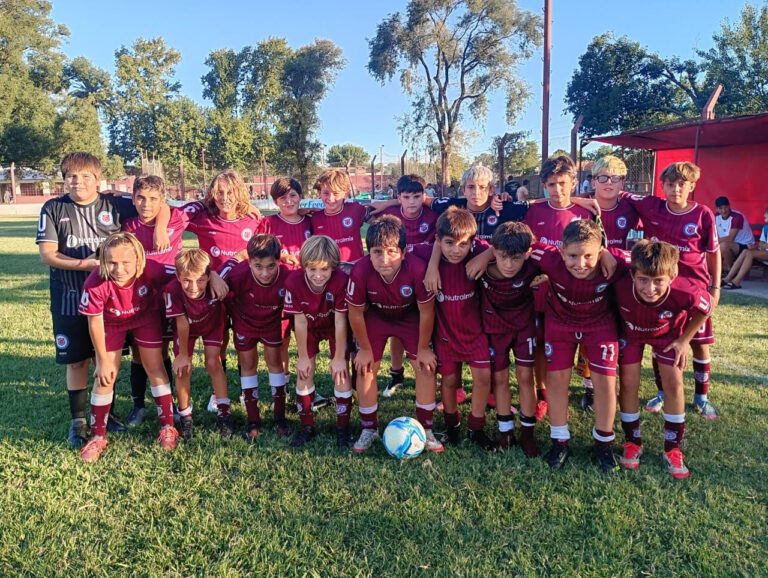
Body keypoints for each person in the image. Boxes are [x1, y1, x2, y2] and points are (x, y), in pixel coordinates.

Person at [36, 152, 169, 448]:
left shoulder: (114, 204)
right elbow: (47, 254)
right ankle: (78, 422)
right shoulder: (53, 208)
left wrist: (160, 228)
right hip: (69, 295)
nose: (78, 182)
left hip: (111, 301)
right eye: (72, 176)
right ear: (64, 179)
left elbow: (157, 204)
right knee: (77, 361)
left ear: (98, 179)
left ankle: (106, 416)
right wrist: (84, 265)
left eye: (86, 176)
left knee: (105, 359)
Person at [622, 162, 721, 419]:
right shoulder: (651, 206)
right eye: (670, 184)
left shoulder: (702, 214)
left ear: (692, 186)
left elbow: (713, 251)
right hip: (660, 290)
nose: (675, 189)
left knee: (698, 344)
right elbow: (618, 193)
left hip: (694, 290)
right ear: (662, 185)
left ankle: (701, 397)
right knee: (661, 342)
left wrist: (715, 287)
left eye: (681, 184)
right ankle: (662, 392)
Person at [529, 219, 623, 473]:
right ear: (561, 251)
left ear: (600, 251)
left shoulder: (616, 261)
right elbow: (523, 244)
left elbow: (650, 258)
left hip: (600, 325)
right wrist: (486, 257)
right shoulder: (549, 258)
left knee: (605, 383)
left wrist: (609, 255)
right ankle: (560, 441)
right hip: (560, 324)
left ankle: (603, 444)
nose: (580, 264)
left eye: (588, 256)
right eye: (572, 256)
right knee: (557, 381)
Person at [346, 215, 443, 453]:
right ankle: (369, 428)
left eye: (392, 251)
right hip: (376, 316)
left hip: (409, 317)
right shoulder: (360, 270)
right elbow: (355, 313)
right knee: (365, 366)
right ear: (369, 253)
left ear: (404, 251)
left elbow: (426, 311)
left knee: (425, 366)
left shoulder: (417, 268)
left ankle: (426, 428)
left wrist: (423, 348)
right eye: (377, 252)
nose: (385, 259)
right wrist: (365, 349)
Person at [615, 240, 712, 478]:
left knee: (674, 384)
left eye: (658, 281)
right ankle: (632, 441)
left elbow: (706, 307)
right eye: (642, 280)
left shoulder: (685, 289)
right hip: (630, 333)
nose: (650, 289)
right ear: (632, 274)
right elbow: (606, 254)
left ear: (672, 276)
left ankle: (672, 448)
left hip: (667, 336)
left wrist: (685, 340)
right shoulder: (619, 279)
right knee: (628, 382)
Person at [78, 232, 177, 462]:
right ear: (103, 261)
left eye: (126, 262)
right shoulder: (96, 281)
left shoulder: (152, 269)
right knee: (106, 376)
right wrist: (102, 361)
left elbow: (182, 271)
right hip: (111, 323)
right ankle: (98, 436)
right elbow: (94, 322)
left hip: (145, 317)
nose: (119, 269)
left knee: (155, 367)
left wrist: (213, 275)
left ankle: (167, 426)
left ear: (139, 259)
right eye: (112, 262)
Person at [413, 208, 497, 451]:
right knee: (449, 381)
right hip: (445, 334)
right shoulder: (427, 253)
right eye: (449, 243)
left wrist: (486, 255)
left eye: (463, 244)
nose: (456, 250)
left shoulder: (478, 250)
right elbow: (407, 251)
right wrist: (432, 264)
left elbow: (510, 243)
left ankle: (476, 428)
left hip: (475, 334)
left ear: (472, 242)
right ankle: (452, 426)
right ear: (438, 241)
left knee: (483, 378)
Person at [523, 156, 593, 421]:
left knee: (576, 343)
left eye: (563, 183)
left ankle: (585, 387)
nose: (558, 189)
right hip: (541, 292)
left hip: (574, 293)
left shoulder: (585, 213)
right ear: (544, 186)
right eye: (551, 184)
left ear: (573, 182)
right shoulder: (535, 212)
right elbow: (529, 247)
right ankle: (543, 395)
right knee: (540, 342)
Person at [283, 236, 353, 447]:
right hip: (309, 327)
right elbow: (300, 321)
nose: (318, 275)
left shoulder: (341, 280)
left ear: (333, 266)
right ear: (303, 265)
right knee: (304, 372)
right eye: (312, 269)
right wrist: (303, 356)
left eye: (324, 269)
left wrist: (339, 358)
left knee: (341, 374)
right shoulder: (294, 282)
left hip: (333, 326)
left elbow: (340, 321)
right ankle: (307, 426)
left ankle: (343, 427)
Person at [479, 221, 541, 456]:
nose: (508, 264)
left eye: (516, 258)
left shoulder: (534, 264)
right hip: (495, 328)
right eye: (503, 257)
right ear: (494, 251)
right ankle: (505, 432)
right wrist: (483, 257)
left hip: (524, 326)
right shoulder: (481, 263)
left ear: (527, 253)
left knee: (525, 376)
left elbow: (559, 258)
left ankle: (527, 434)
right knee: (500, 378)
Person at [222, 234, 291, 440]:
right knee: (247, 365)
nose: (265, 273)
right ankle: (253, 419)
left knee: (275, 363)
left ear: (279, 260)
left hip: (272, 323)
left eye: (271, 266)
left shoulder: (288, 274)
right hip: (245, 322)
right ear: (249, 261)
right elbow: (216, 277)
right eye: (258, 266)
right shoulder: (238, 274)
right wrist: (234, 259)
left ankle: (280, 416)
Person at [379, 174, 439, 398]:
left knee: (429, 324)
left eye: (416, 196)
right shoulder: (390, 215)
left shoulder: (434, 215)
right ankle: (396, 374)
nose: (412, 202)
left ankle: (438, 371)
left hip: (426, 279)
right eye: (406, 197)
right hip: (396, 279)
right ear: (399, 198)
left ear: (424, 196)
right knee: (396, 326)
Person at [164, 249, 230, 438]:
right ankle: (185, 416)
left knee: (214, 363)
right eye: (187, 280)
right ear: (178, 276)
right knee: (183, 369)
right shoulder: (172, 289)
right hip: (186, 328)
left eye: (200, 280)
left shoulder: (216, 280)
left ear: (208, 276)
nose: (193, 287)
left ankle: (224, 414)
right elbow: (182, 322)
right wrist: (183, 355)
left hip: (212, 325)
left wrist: (216, 274)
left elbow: (241, 255)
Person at [265, 177, 314, 405]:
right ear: (275, 201)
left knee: (307, 341)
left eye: (293, 195)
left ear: (300, 197)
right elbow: (256, 251)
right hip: (279, 291)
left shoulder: (309, 222)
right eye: (283, 198)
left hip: (307, 290)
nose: (289, 201)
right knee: (283, 340)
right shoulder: (268, 223)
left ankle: (308, 388)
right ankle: (283, 387)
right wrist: (279, 255)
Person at [311, 168, 371, 271]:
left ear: (346, 194)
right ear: (319, 193)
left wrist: (390, 202)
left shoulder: (355, 209)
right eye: (326, 193)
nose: (331, 198)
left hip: (355, 268)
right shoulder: (315, 217)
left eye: (336, 193)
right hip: (329, 270)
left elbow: (378, 221)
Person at [723, 207, 768, 289]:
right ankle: (727, 278)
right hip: (764, 252)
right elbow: (762, 244)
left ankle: (736, 281)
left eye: (766, 213)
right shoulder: (766, 227)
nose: (764, 215)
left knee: (750, 254)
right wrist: (755, 246)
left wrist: (764, 246)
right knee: (745, 251)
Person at [714, 196, 755, 273]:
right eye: (720, 208)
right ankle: (713, 272)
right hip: (731, 245)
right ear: (716, 209)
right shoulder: (715, 217)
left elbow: (730, 238)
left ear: (729, 206)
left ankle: (729, 271)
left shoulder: (737, 217)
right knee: (709, 246)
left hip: (746, 245)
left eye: (726, 207)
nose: (723, 211)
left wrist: (711, 242)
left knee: (724, 246)